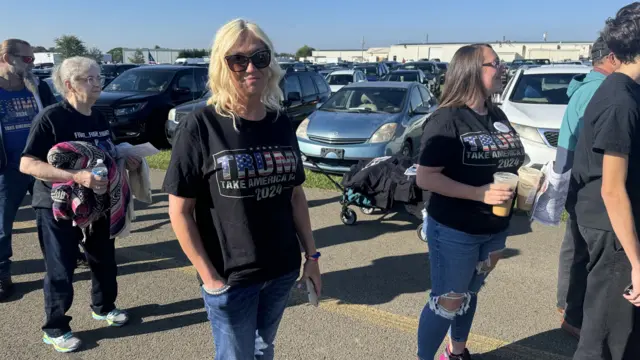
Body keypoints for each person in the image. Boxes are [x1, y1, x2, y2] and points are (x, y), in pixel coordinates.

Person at [163, 19, 321, 360]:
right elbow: (180, 211)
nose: (251, 67)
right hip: (231, 278)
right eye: (238, 60)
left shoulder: (280, 122)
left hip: (281, 270)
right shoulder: (201, 125)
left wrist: (312, 256)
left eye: (260, 57)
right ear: (222, 65)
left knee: (264, 350)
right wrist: (210, 279)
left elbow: (295, 195)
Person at [19, 56, 139, 353]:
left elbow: (106, 152)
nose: (98, 83)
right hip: (56, 206)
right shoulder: (51, 118)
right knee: (61, 267)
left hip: (97, 204)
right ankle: (55, 327)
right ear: (70, 84)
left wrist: (126, 157)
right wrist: (75, 176)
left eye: (98, 77)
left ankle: (103, 307)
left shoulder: (98, 117)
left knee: (103, 260)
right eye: (90, 79)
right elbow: (27, 163)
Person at [415, 44, 525, 360]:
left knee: (470, 292)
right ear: (472, 72)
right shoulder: (446, 119)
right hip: (455, 229)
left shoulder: (496, 114)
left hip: (495, 228)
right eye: (496, 64)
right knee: (449, 299)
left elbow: (506, 160)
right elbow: (425, 177)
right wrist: (479, 193)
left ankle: (457, 352)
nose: (502, 68)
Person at [570, 3, 640, 359]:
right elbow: (612, 188)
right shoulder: (619, 102)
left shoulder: (624, 91)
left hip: (613, 228)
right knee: (607, 337)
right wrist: (637, 261)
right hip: (613, 233)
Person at [554, 37, 621, 339]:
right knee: (585, 252)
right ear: (611, 57)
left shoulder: (585, 87)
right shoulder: (600, 90)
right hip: (587, 181)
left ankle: (566, 307)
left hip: (573, 176)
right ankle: (573, 314)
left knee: (575, 246)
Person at [0, 38, 57, 301]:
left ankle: (61, 260)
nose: (31, 63)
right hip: (6, 169)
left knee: (54, 215)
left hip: (39, 163)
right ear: (7, 58)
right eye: (27, 58)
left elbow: (55, 116)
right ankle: (2, 273)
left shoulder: (37, 86)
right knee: (2, 225)